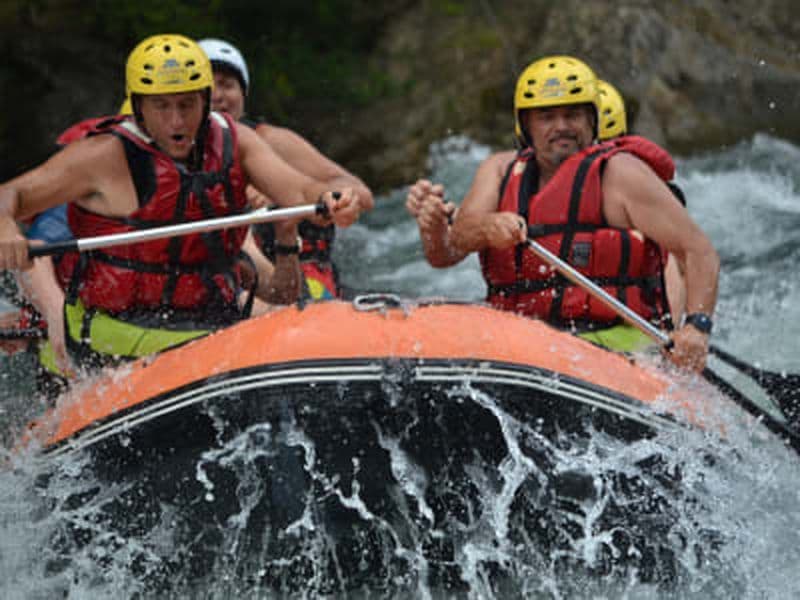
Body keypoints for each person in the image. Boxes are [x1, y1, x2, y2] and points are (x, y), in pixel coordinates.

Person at [0, 33, 359, 373]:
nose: (176, 120)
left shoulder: (238, 144)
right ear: (139, 107)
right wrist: (5, 229)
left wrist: (331, 200)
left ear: (205, 101)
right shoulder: (103, 157)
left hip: (209, 318)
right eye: (162, 106)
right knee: (254, 346)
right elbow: (10, 195)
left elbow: (301, 189)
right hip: (115, 328)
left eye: (187, 105)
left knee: (282, 334)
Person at [409, 56, 719, 372]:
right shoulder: (499, 172)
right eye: (546, 117)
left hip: (614, 347)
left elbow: (699, 251)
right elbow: (453, 245)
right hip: (519, 340)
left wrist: (696, 327)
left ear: (591, 122)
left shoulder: (623, 174)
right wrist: (473, 227)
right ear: (526, 126)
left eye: (573, 115)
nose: (561, 127)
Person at [199, 38, 374, 300]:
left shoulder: (271, 140)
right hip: (242, 284)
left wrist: (284, 191)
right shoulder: (178, 155)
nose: (217, 95)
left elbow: (363, 195)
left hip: (305, 276)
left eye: (227, 85)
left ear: (243, 95)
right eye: (208, 86)